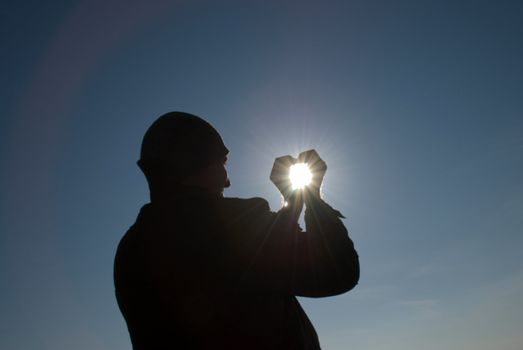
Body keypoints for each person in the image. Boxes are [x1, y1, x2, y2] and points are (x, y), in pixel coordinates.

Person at [114, 111, 359, 349]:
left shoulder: (131, 250)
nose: (228, 181)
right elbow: (338, 269)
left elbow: (246, 271)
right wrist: (313, 199)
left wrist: (291, 207)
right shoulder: (237, 223)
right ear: (198, 163)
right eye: (222, 163)